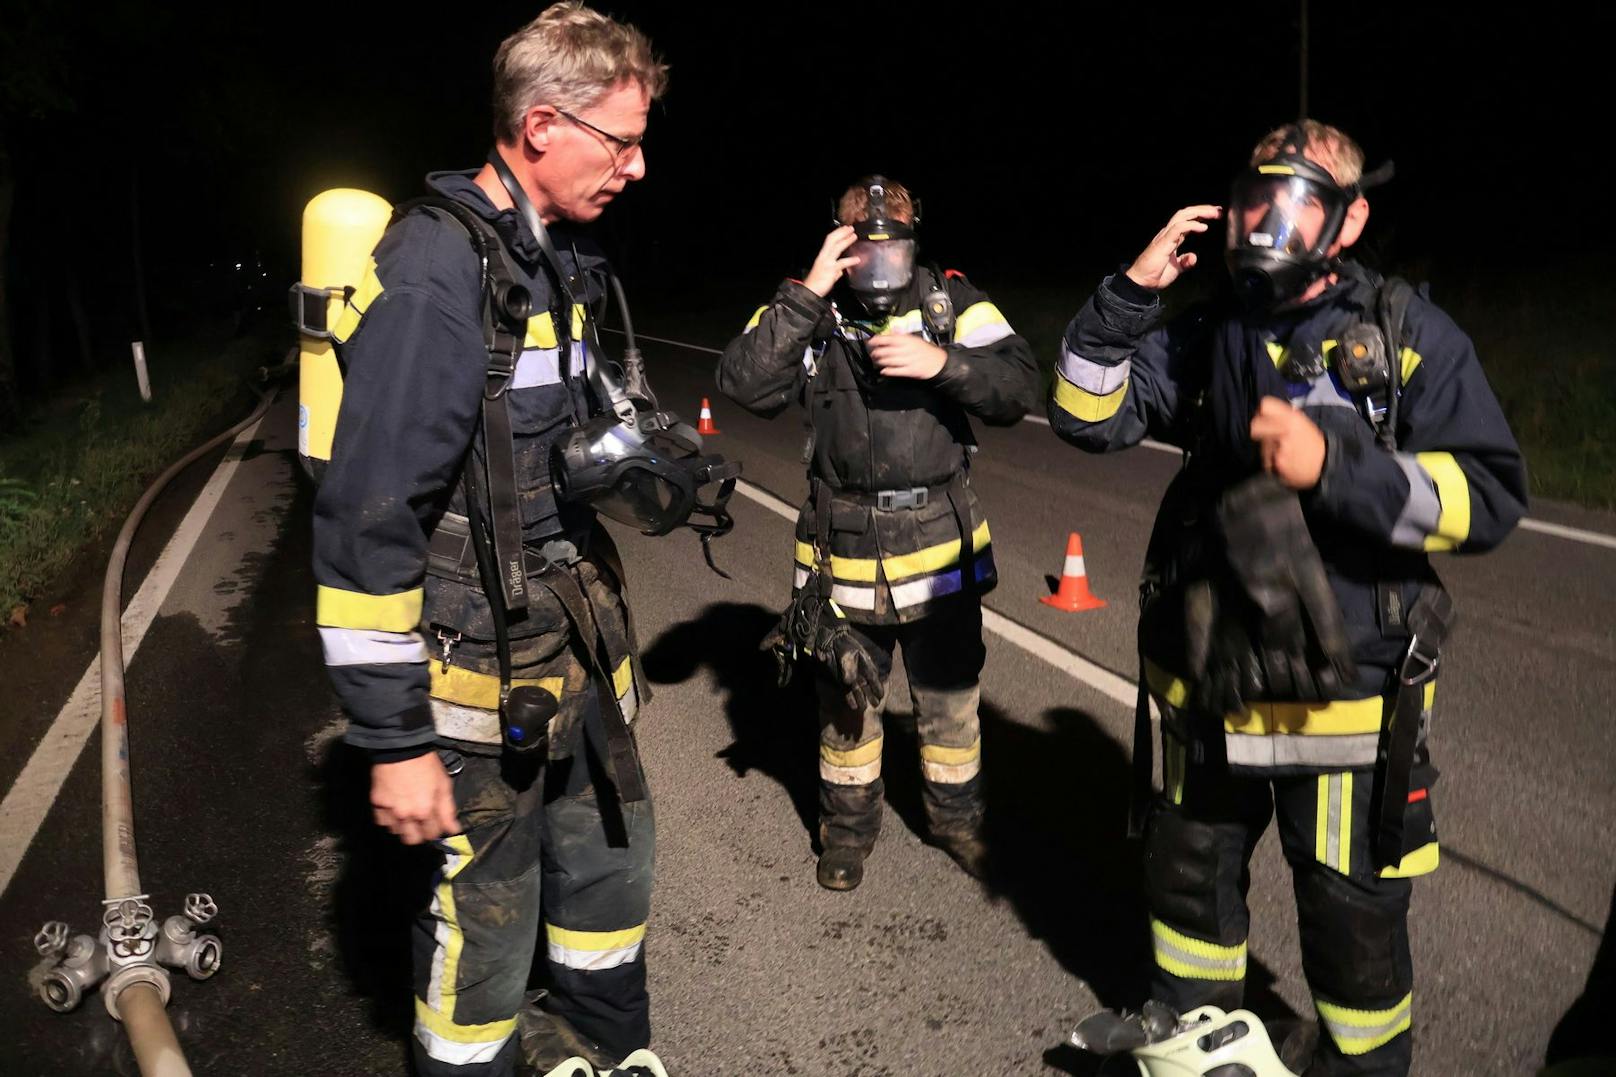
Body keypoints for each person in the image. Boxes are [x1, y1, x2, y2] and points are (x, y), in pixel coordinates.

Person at [1046, 121, 1527, 1075]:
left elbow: (1491, 495)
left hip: (1345, 698)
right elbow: (1083, 413)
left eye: (1298, 200)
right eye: (1254, 196)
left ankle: (1362, 1064)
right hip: (1208, 672)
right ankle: (1192, 1038)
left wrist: (1340, 470)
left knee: (1351, 915)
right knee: (1187, 882)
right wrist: (1130, 294)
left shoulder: (1405, 337)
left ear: (1348, 220)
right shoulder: (1204, 327)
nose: (1267, 220)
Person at [311, 6, 677, 1074]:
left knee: (610, 887)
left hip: (569, 672)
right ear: (541, 127)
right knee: (484, 945)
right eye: (621, 142)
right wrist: (395, 744)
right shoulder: (435, 278)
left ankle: (612, 1056)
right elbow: (366, 528)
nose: (638, 167)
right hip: (474, 698)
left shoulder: (550, 255)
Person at [716, 177, 1039, 892]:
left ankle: (957, 822)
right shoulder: (810, 305)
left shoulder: (950, 300)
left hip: (939, 546)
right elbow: (743, 385)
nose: (883, 273)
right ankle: (847, 831)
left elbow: (1020, 385)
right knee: (845, 701)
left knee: (950, 697)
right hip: (844, 550)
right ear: (842, 245)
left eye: (896, 255)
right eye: (866, 256)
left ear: (915, 244)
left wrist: (943, 364)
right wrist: (808, 292)